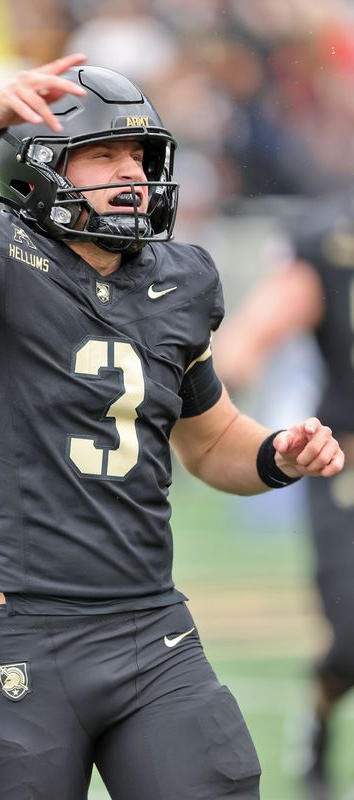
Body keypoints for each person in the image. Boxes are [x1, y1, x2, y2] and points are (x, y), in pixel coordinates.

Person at [0, 54, 344, 800]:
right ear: (37, 170)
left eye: (140, 153)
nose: (132, 172)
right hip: (24, 629)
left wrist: (276, 453)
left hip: (150, 623)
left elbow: (212, 438)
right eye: (104, 154)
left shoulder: (178, 281)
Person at [213, 191, 354, 800]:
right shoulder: (333, 235)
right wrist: (233, 365)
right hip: (347, 461)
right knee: (351, 632)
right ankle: (320, 717)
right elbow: (260, 327)